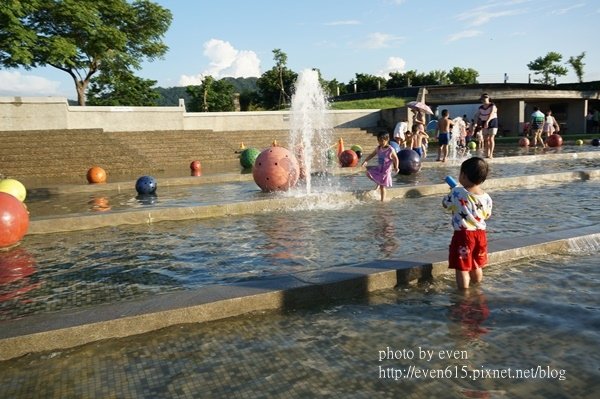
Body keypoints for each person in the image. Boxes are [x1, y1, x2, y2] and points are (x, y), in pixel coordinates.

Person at [442, 157, 493, 290]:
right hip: (481, 235)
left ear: (463, 175)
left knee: (462, 267)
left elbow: (445, 205)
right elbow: (487, 215)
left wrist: (451, 192)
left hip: (464, 235)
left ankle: (464, 294)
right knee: (476, 264)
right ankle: (477, 287)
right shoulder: (486, 197)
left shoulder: (457, 192)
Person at [361, 132, 400, 201]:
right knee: (368, 173)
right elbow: (372, 154)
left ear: (387, 139)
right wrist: (366, 161)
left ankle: (382, 200)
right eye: (379, 141)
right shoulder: (378, 148)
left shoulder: (390, 149)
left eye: (382, 141)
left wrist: (396, 167)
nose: (380, 142)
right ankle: (378, 183)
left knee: (382, 186)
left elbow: (396, 159)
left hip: (386, 171)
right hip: (379, 168)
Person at [474, 93, 498, 159]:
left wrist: (487, 121)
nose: (483, 100)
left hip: (492, 122)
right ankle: (487, 154)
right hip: (483, 122)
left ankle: (491, 154)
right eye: (482, 99)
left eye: (484, 99)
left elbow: (491, 113)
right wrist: (475, 123)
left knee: (491, 138)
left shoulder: (492, 105)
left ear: (488, 98)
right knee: (486, 139)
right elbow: (477, 115)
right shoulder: (480, 107)